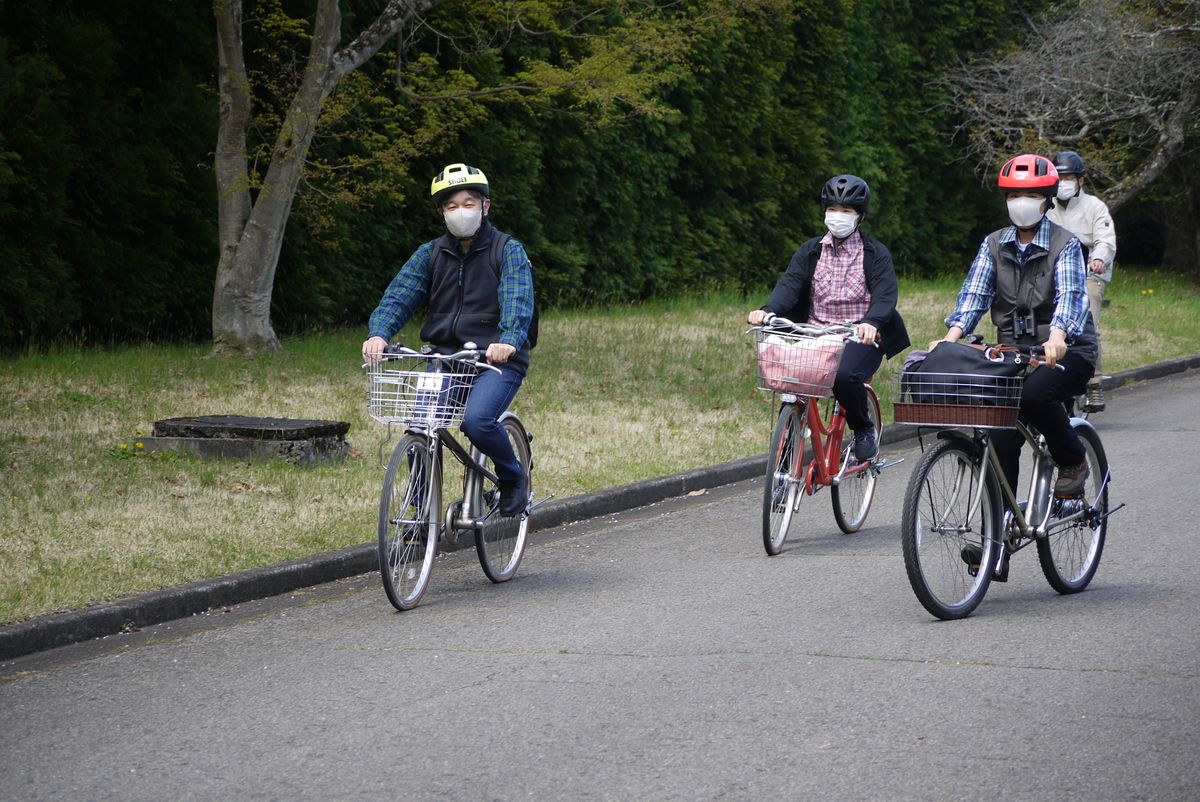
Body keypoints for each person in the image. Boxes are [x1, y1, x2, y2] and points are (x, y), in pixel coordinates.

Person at [362, 163, 535, 516]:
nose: (461, 212)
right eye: (452, 206)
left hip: (495, 360)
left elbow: (517, 299)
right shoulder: (430, 254)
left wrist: (510, 339)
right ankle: (422, 510)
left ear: (486, 206)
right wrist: (379, 333)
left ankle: (513, 476)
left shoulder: (507, 250)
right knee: (420, 428)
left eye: (469, 203)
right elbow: (399, 296)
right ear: (441, 211)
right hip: (445, 360)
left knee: (477, 422)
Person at [934, 153, 1098, 498]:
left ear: (1047, 199)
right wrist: (950, 338)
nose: (1021, 203)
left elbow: (1071, 294)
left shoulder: (1065, 244)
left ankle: (1072, 460)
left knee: (1035, 394)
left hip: (1067, 350)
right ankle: (999, 534)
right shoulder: (993, 244)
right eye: (1013, 196)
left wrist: (1058, 335)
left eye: (1032, 196)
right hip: (1014, 352)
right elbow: (975, 294)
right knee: (998, 436)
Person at [747, 174, 910, 462]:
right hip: (815, 334)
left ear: (860, 216)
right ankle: (786, 456)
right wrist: (768, 310)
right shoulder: (811, 251)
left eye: (846, 211)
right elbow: (790, 284)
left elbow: (885, 295)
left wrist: (872, 323)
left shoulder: (874, 254)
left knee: (845, 376)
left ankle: (863, 428)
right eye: (833, 209)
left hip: (858, 336)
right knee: (790, 379)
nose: (838, 216)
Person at [1047, 150, 1117, 412]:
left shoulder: (1095, 207)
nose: (1064, 182)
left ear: (1080, 181)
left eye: (1069, 177)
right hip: (1051, 273)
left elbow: (1105, 239)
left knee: (1089, 327)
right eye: (1060, 176)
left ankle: (1094, 384)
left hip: (1088, 274)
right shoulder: (1046, 206)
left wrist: (1099, 258)